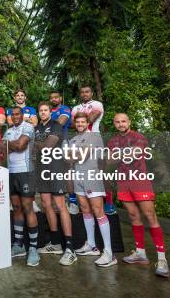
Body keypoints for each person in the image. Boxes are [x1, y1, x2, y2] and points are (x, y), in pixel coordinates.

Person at [107, 113, 169, 278]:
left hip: (139, 180)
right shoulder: (112, 140)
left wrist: (118, 154)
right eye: (117, 122)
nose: (121, 124)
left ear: (129, 122)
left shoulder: (139, 137)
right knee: (133, 216)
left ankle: (162, 260)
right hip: (123, 181)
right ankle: (140, 253)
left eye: (123, 121)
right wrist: (120, 154)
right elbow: (109, 161)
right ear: (114, 124)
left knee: (150, 216)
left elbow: (134, 154)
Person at [68, 113, 116, 267]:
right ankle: (91, 245)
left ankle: (109, 253)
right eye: (78, 122)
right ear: (75, 124)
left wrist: (74, 155)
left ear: (88, 123)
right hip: (78, 176)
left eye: (83, 121)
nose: (80, 124)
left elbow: (82, 155)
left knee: (98, 211)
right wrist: (74, 155)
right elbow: (68, 158)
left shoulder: (94, 136)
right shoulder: (73, 139)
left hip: (92, 176)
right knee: (85, 209)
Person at [34, 102, 76, 265]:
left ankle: (70, 249)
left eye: (46, 110)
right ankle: (56, 243)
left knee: (60, 205)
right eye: (41, 111)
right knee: (46, 204)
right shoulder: (37, 128)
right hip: (41, 170)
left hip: (56, 167)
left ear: (51, 112)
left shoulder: (56, 125)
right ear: (38, 113)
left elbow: (46, 147)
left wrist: (36, 144)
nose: (43, 113)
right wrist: (39, 145)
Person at [0, 107, 40, 267]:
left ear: (22, 116)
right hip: (11, 173)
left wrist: (8, 145)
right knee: (15, 207)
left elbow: (21, 146)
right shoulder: (8, 131)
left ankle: (33, 249)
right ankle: (19, 245)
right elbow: (1, 149)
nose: (15, 116)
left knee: (27, 207)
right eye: (12, 114)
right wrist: (11, 144)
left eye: (18, 114)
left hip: (26, 172)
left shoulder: (28, 127)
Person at [72, 85, 115, 215]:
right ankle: (81, 202)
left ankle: (109, 203)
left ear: (91, 93)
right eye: (82, 92)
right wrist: (81, 120)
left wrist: (80, 120)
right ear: (80, 94)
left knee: (100, 171)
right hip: (80, 140)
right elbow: (73, 124)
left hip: (94, 138)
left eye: (87, 92)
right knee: (80, 170)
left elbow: (90, 120)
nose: (85, 94)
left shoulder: (97, 104)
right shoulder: (75, 107)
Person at [49, 90, 78, 215]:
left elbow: (60, 122)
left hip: (62, 142)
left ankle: (73, 201)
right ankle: (58, 200)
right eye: (52, 98)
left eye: (56, 97)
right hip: (50, 142)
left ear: (60, 98)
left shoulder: (65, 108)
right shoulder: (49, 110)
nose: (54, 99)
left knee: (67, 172)